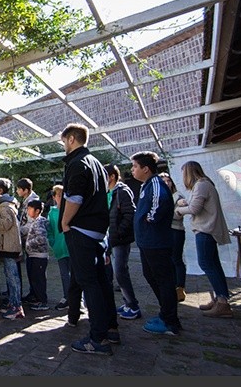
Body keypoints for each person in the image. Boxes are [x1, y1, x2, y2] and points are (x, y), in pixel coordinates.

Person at [57, 123, 118, 356]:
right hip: (98, 233)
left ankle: (98, 338)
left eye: (64, 141)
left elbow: (75, 197)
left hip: (81, 230)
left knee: (88, 282)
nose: (63, 146)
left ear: (71, 139)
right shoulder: (97, 164)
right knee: (101, 283)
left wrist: (64, 222)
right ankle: (111, 328)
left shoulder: (77, 163)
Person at [130, 151, 182, 336]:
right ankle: (165, 313)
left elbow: (158, 206)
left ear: (145, 168)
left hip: (156, 242)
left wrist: (147, 221)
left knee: (164, 280)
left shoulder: (157, 185)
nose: (132, 170)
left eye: (135, 166)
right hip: (146, 242)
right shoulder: (146, 185)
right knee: (150, 276)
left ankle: (170, 321)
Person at [174, 160, 234, 318]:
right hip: (207, 229)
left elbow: (194, 208)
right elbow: (196, 204)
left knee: (207, 263)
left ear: (188, 172)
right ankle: (221, 299)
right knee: (213, 264)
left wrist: (179, 210)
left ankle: (222, 302)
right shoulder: (204, 184)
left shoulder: (201, 185)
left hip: (206, 230)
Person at [103, 163, 140, 320]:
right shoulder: (109, 192)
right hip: (110, 239)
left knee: (120, 272)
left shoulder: (122, 191)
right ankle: (127, 303)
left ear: (111, 176)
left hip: (120, 239)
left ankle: (133, 306)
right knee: (117, 272)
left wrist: (118, 233)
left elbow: (130, 214)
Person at [0, 177, 25, 320]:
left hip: (9, 247)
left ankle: (16, 307)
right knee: (11, 277)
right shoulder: (4, 204)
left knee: (12, 278)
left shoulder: (4, 206)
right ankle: (13, 305)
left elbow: (5, 224)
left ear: (0, 190)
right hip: (8, 246)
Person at [159, 172, 188, 302]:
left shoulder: (177, 196)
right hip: (165, 231)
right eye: (164, 181)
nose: (167, 183)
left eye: (168, 180)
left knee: (176, 258)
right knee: (168, 259)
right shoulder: (160, 196)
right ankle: (173, 286)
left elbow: (178, 215)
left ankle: (180, 287)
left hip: (176, 230)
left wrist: (163, 215)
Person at [21, 199, 51, 311]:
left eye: (30, 209)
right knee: (34, 278)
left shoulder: (38, 222)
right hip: (33, 255)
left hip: (39, 256)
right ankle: (36, 298)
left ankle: (42, 301)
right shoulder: (35, 221)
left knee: (39, 279)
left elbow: (41, 239)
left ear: (37, 211)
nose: (28, 211)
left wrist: (28, 243)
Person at [46, 185, 71, 310]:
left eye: (63, 195)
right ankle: (67, 297)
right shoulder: (52, 212)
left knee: (76, 274)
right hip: (60, 249)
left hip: (72, 249)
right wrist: (53, 243)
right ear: (54, 197)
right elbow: (50, 230)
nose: (61, 198)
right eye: (58, 195)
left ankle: (78, 299)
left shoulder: (71, 209)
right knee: (64, 274)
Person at [16, 178, 39, 305]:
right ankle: (33, 293)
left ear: (25, 190)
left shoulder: (32, 201)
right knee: (30, 268)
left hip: (32, 239)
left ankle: (36, 295)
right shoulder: (26, 201)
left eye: (19, 189)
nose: (17, 191)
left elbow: (30, 223)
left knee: (34, 269)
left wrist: (18, 231)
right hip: (28, 238)